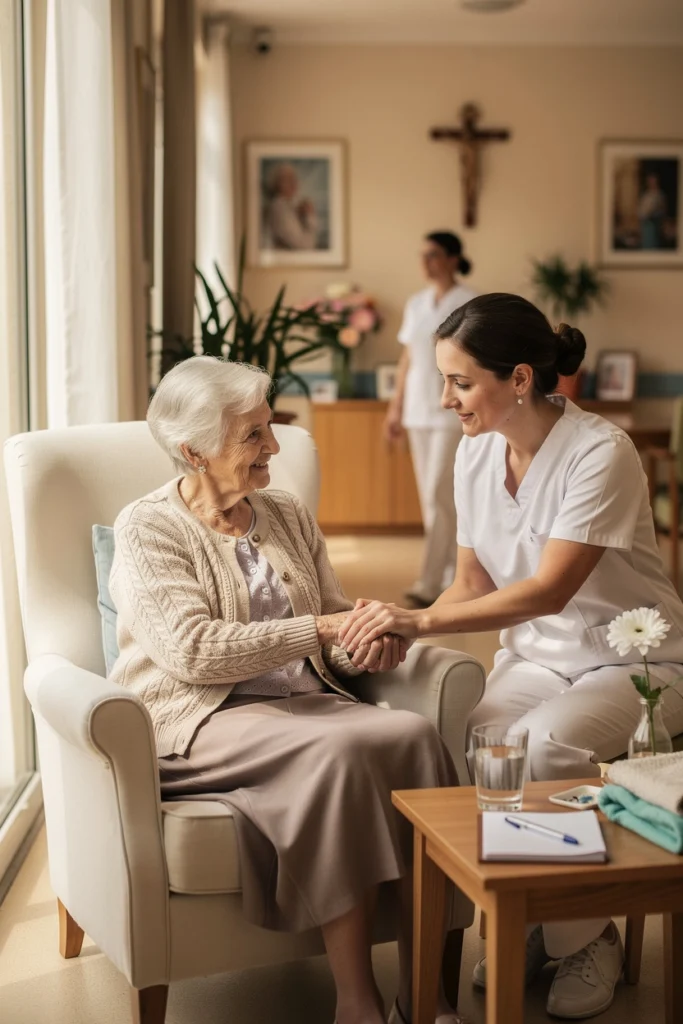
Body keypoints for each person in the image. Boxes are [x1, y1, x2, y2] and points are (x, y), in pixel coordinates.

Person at [340, 293, 683, 1020]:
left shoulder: (600, 452)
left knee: (544, 745)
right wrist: (403, 632)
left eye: (460, 382)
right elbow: (472, 583)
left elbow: (550, 589)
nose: (444, 399)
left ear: (520, 378)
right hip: (537, 657)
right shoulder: (474, 453)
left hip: (634, 661)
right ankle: (535, 918)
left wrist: (417, 617)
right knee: (485, 741)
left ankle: (585, 938)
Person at [108, 355, 464, 1024]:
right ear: (193, 451)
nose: (273, 445)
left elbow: (328, 624)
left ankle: (424, 997)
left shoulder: (287, 513)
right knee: (341, 754)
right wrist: (323, 627)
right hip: (203, 718)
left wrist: (363, 641)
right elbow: (192, 651)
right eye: (253, 434)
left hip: (306, 703)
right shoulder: (147, 527)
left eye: (269, 427)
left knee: (414, 736)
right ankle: (356, 1003)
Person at [384, 231, 475, 608]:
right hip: (416, 410)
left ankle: (430, 581)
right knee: (432, 497)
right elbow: (407, 358)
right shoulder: (416, 303)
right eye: (423, 255)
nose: (425, 262)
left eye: (433, 254)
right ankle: (454, 574)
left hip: (451, 408)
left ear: (453, 258)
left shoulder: (468, 301)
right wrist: (395, 407)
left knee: (440, 491)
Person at [265, 161, 318, 250]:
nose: (293, 182)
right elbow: (305, 246)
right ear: (276, 184)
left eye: (294, 178)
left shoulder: (292, 205)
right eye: (286, 179)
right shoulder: (279, 207)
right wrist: (309, 216)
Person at [638, 172, 667, 250]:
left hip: (655, 225)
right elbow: (641, 210)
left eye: (653, 181)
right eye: (650, 181)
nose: (651, 183)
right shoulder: (646, 195)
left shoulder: (660, 195)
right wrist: (643, 215)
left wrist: (653, 213)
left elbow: (662, 210)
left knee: (654, 245)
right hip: (646, 225)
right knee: (647, 244)